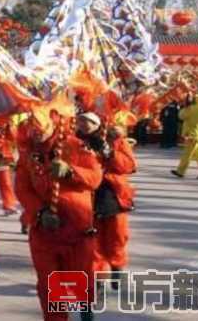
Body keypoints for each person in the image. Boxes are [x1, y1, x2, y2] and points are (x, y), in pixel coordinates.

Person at [15, 107, 103, 321]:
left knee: (79, 280)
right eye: (31, 130)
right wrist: (40, 212)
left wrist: (71, 172)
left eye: (40, 129)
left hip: (76, 229)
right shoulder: (27, 155)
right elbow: (22, 189)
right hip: (44, 231)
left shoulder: (73, 145)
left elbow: (95, 177)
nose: (36, 134)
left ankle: (85, 311)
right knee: (48, 285)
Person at [75, 113, 136, 290]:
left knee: (117, 235)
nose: (85, 125)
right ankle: (99, 276)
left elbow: (129, 166)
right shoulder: (73, 141)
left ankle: (117, 265)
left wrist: (110, 153)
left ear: (98, 123)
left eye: (90, 122)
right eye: (81, 121)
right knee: (94, 239)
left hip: (112, 193)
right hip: (87, 193)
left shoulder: (113, 139)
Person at [171, 95, 198, 180]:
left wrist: (185, 107)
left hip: (192, 135)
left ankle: (180, 171)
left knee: (187, 155)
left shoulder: (191, 108)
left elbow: (181, 116)